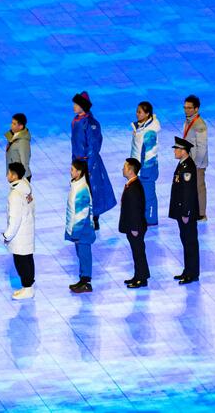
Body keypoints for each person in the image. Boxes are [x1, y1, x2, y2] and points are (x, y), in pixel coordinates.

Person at [71, 91, 116, 229]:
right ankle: (83, 216)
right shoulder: (76, 121)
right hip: (78, 162)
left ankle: (94, 218)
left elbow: (94, 145)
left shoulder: (90, 123)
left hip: (89, 163)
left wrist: (88, 166)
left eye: (76, 104)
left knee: (92, 190)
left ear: (83, 106)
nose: (74, 106)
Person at [169, 137, 200, 285]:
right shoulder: (182, 165)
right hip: (182, 211)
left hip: (186, 213)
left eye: (177, 149)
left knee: (190, 242)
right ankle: (188, 270)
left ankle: (192, 273)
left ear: (184, 151)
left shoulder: (187, 167)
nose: (174, 151)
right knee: (186, 241)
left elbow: (188, 192)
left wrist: (186, 212)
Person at [2, 162, 35, 299]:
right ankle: (27, 287)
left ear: (14, 176)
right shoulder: (26, 187)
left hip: (20, 234)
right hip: (27, 229)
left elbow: (14, 218)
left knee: (21, 261)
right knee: (27, 259)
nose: (7, 175)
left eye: (9, 173)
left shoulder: (15, 195)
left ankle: (27, 288)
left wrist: (7, 235)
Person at [65, 160, 95, 293]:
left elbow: (81, 214)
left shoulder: (81, 189)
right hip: (79, 230)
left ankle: (86, 281)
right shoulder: (76, 185)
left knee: (84, 255)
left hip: (82, 231)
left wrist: (75, 233)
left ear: (79, 172)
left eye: (72, 169)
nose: (70, 171)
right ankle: (83, 279)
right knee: (81, 255)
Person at [119, 158, 149, 288]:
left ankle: (141, 278)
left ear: (131, 171)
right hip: (133, 226)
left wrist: (135, 228)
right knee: (137, 252)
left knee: (138, 252)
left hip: (135, 227)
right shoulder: (132, 185)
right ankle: (139, 275)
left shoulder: (134, 188)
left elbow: (136, 209)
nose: (123, 169)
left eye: (125, 167)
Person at [130, 101, 161, 226]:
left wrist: (145, 172)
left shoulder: (149, 132)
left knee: (148, 197)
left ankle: (150, 219)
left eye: (140, 112)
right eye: (137, 111)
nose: (137, 114)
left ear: (147, 114)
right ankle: (143, 217)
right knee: (141, 196)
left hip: (146, 170)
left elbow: (150, 154)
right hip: (138, 168)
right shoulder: (140, 127)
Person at [182, 95, 209, 221]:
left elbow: (202, 147)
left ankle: (201, 213)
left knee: (199, 187)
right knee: (191, 187)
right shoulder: (187, 121)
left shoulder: (199, 124)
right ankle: (194, 210)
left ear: (196, 109)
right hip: (190, 161)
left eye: (189, 108)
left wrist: (196, 164)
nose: (186, 110)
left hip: (197, 163)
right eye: (185, 107)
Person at [5, 113, 31, 181]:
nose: (11, 125)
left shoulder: (23, 142)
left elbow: (25, 161)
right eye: (11, 123)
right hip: (13, 175)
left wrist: (20, 179)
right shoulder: (13, 135)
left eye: (14, 124)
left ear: (21, 126)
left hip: (20, 177)